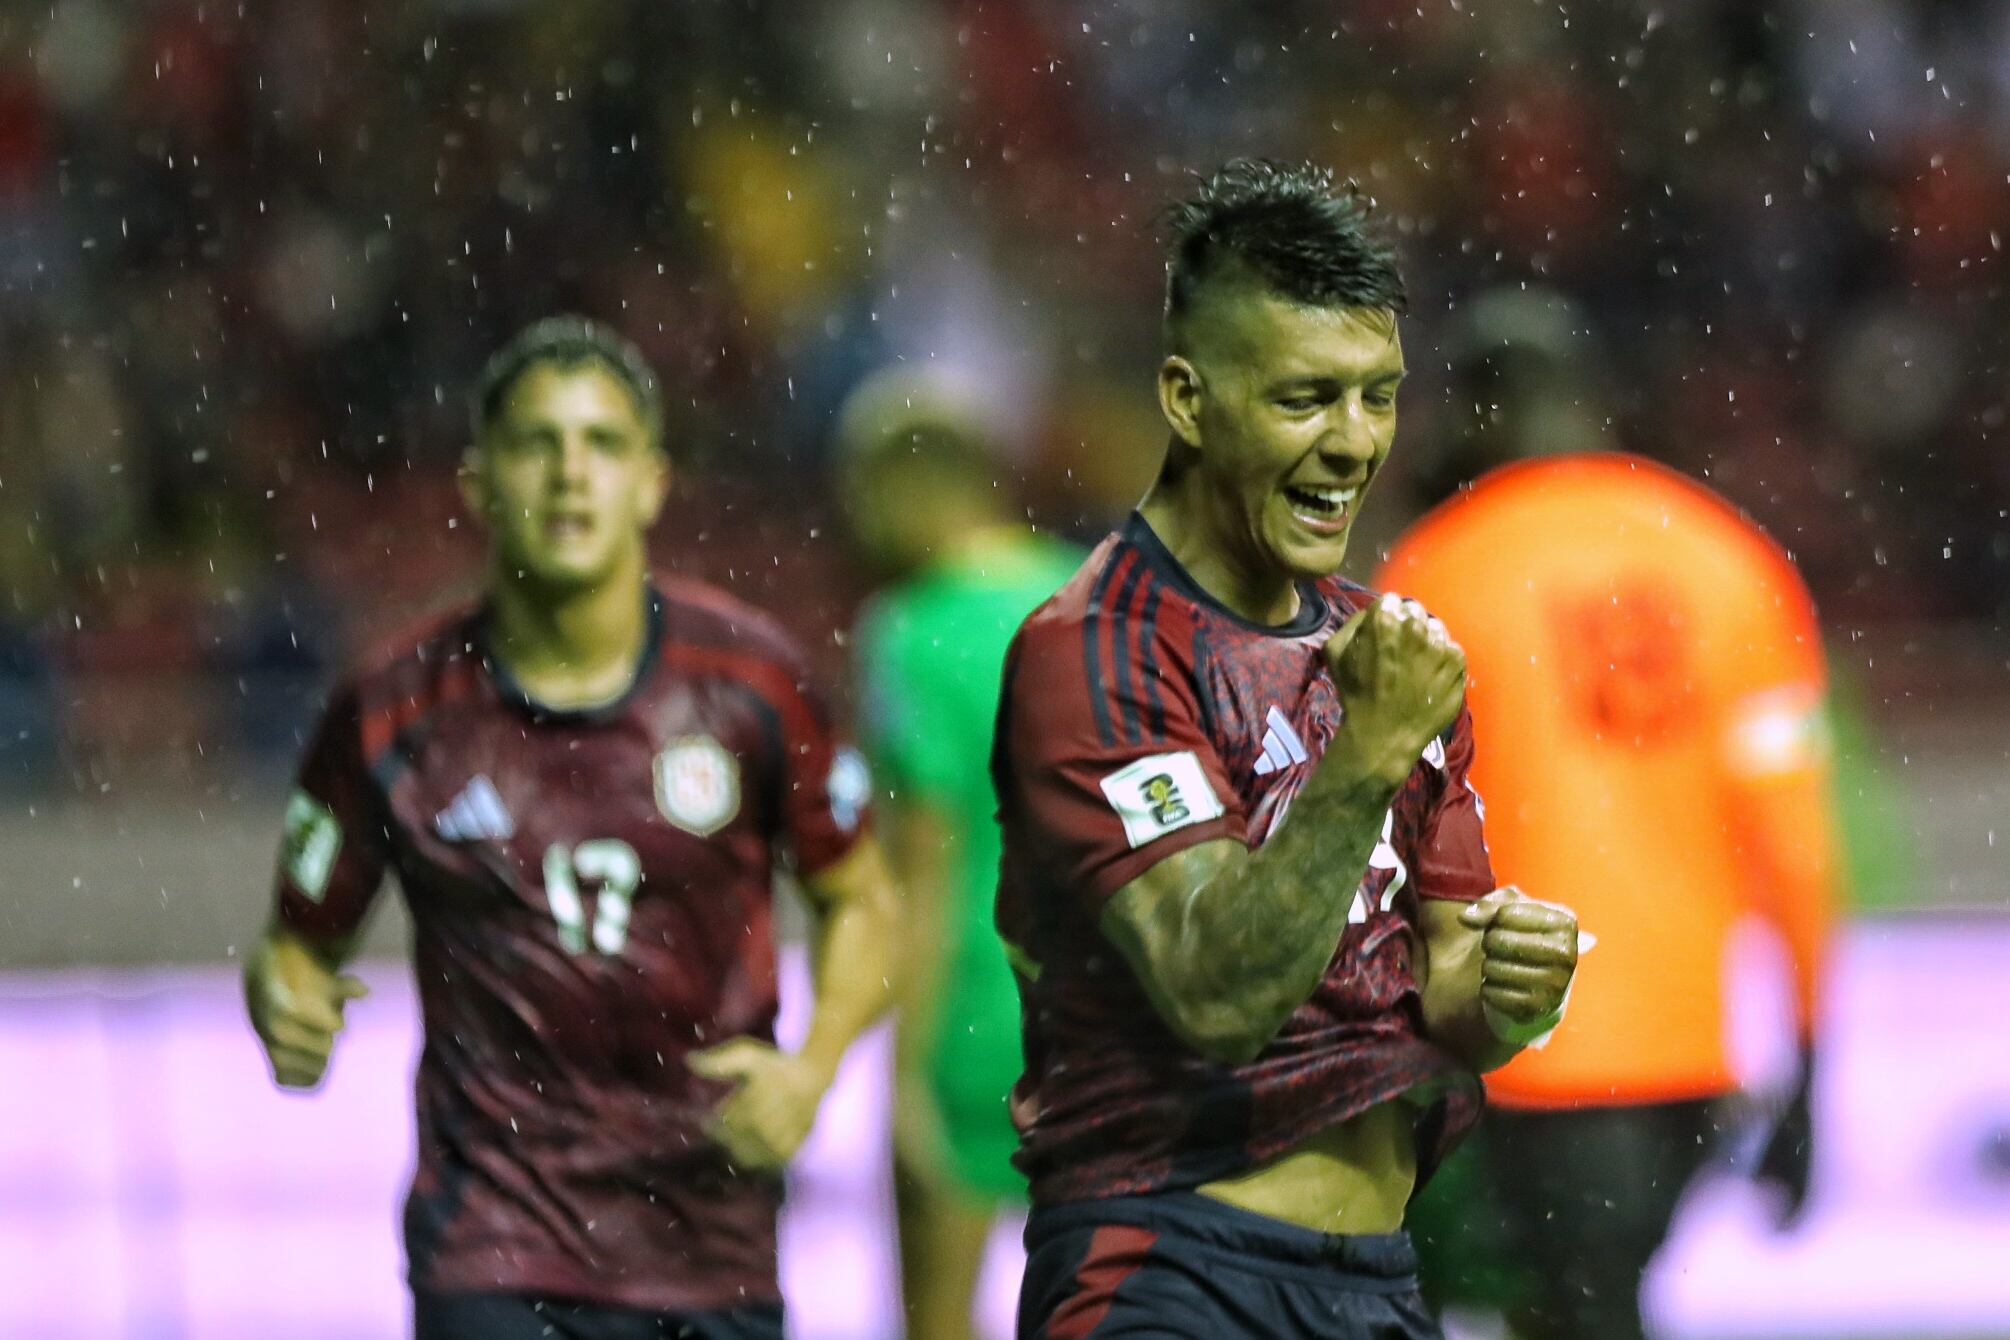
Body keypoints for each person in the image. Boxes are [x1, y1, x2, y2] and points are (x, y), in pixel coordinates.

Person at [991, 159, 1581, 1340]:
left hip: (1377, 1279)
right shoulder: (1095, 654)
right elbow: (1216, 995)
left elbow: (1450, 979)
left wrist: (1517, 984)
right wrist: (1363, 750)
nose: (1355, 441)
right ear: (1187, 396)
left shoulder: (1385, 653)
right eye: (1306, 397)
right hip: (1167, 1269)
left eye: (1380, 394)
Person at [243, 316, 899, 1340]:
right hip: (494, 1243)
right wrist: (285, 998)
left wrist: (811, 1069)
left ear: (651, 481)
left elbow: (864, 899)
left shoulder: (755, 682)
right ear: (477, 483)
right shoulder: (391, 708)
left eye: (600, 443)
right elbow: (294, 941)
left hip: (711, 1242)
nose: (568, 473)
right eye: (535, 443)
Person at [1381, 288, 1840, 1340]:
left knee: (1568, 1307)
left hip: (1518, 1041)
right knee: (1594, 1303)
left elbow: (1390, 836)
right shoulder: (1730, 558)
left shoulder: (1440, 566)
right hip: (1686, 1049)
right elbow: (1796, 841)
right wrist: (1813, 1055)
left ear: (1483, 408)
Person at [835, 368, 1085, 1340]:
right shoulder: (1094, 590)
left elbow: (922, 872)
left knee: (936, 1319)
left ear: (903, 486)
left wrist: (899, 1078)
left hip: (974, 1025)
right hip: (1103, 1019)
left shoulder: (908, 630)